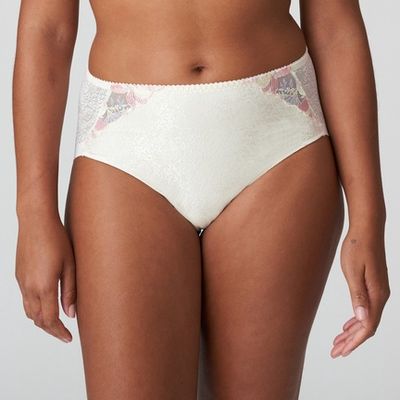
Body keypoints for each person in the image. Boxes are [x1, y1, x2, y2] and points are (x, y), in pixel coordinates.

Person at [12, 0, 390, 399]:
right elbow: (47, 29)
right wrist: (34, 213)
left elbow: (334, 26)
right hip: (125, 150)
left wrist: (369, 217)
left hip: (276, 141)